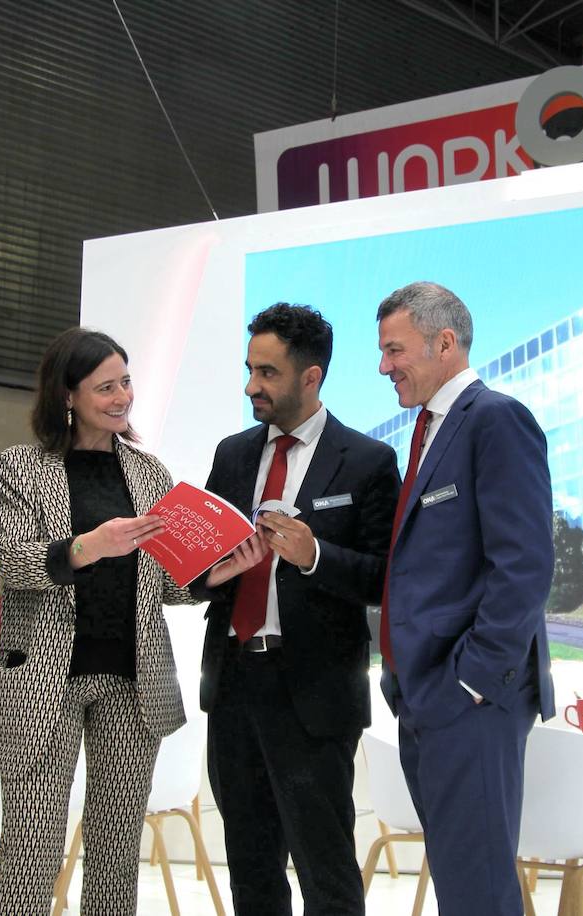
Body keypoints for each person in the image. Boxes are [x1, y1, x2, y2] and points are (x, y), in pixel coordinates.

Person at [0, 327, 266, 915]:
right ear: (67, 395)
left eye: (126, 382)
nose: (121, 397)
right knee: (30, 852)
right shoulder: (20, 466)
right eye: (104, 387)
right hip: (41, 682)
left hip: (132, 684)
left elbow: (165, 583)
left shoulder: (148, 472)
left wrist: (214, 575)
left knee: (117, 851)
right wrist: (89, 546)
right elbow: (14, 565)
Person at [189, 303, 399, 915]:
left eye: (268, 373)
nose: (252, 385)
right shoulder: (231, 455)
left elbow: (385, 577)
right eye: (249, 369)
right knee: (251, 870)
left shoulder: (366, 461)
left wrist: (314, 556)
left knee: (325, 872)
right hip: (231, 687)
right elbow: (200, 571)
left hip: (313, 696)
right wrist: (206, 572)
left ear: (312, 378)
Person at [376, 281, 555, 916]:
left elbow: (524, 566)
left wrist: (472, 682)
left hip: (469, 703)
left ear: (444, 342)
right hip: (424, 697)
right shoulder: (428, 433)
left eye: (395, 350)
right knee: (463, 888)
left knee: (478, 894)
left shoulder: (496, 419)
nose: (383, 367)